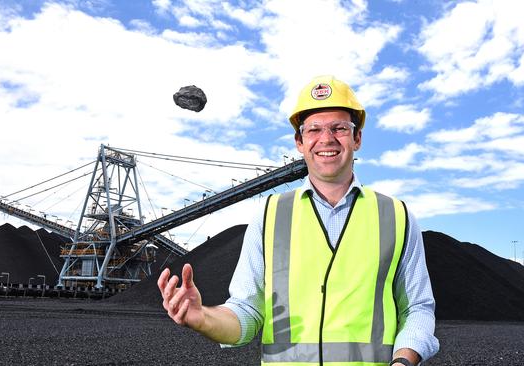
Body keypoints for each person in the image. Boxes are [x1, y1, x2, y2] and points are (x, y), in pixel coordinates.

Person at [158, 75, 439, 365]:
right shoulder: (269, 215)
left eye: (339, 128)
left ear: (357, 138)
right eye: (313, 129)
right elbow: (247, 312)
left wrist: (404, 361)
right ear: (299, 142)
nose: (326, 139)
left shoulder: (396, 216)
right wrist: (203, 317)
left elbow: (417, 308)